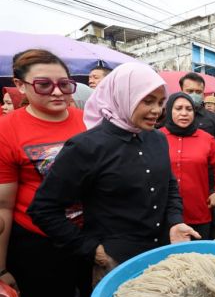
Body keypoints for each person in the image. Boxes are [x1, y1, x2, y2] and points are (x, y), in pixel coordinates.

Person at [28, 62, 201, 271]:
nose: (157, 110)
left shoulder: (158, 138)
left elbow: (169, 185)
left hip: (162, 254)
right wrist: (93, 250)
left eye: (161, 102)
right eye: (147, 101)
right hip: (116, 262)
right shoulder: (86, 147)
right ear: (123, 96)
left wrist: (174, 222)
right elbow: (43, 209)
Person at [0, 49, 87, 297]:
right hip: (39, 246)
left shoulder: (87, 119)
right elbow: (3, 206)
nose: (57, 92)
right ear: (20, 84)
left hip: (90, 237)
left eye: (64, 84)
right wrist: (2, 268)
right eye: (44, 85)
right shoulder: (7, 129)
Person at [160, 92, 215, 239]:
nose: (184, 113)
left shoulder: (206, 139)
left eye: (188, 109)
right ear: (169, 110)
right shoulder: (157, 137)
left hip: (199, 213)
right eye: (178, 108)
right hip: (164, 215)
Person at [178, 72, 215, 205]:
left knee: (213, 220)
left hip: (210, 182)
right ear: (181, 91)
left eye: (198, 91)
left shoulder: (214, 119)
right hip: (180, 182)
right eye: (190, 91)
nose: (194, 94)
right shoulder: (173, 118)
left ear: (203, 93)